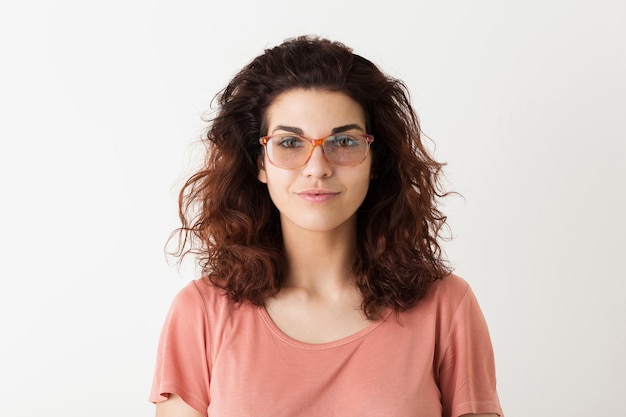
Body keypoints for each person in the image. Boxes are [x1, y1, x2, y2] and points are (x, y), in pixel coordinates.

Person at [149, 35, 503, 417]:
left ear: (375, 159)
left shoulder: (446, 307)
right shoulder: (201, 312)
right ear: (259, 163)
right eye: (289, 143)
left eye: (344, 142)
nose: (317, 166)